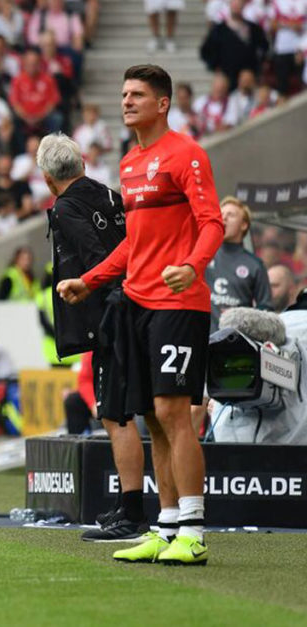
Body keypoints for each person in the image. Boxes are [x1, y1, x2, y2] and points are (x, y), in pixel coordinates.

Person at [58, 65, 223, 565]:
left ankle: (192, 531)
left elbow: (211, 221)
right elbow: (135, 242)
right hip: (136, 301)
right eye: (124, 92)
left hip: (178, 303)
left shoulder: (186, 154)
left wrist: (192, 268)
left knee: (176, 413)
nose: (127, 101)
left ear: (163, 103)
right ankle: (165, 526)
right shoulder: (130, 163)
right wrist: (91, 280)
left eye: (138, 94)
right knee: (152, 417)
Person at [39, 132, 146, 543]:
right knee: (122, 413)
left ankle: (133, 512)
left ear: (49, 178)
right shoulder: (109, 193)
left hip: (111, 318)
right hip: (134, 307)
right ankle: (127, 503)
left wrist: (87, 287)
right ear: (81, 163)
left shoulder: (66, 207)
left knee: (115, 415)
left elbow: (97, 260)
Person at [206, 196, 271, 332]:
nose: (224, 218)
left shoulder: (255, 265)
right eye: (221, 214)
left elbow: (266, 310)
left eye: (231, 215)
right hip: (202, 340)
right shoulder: (204, 255)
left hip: (237, 344)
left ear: (244, 225)